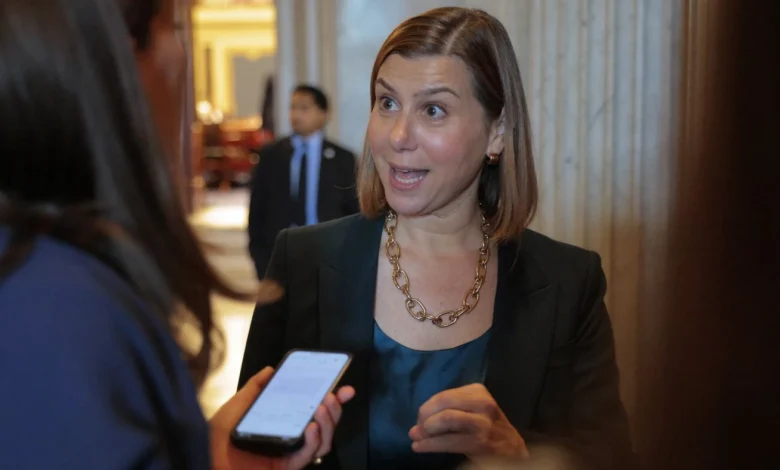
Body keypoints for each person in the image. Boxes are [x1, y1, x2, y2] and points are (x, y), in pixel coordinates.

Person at [239, 7, 632, 470]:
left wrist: (517, 456)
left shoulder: (568, 283)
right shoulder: (302, 262)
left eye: (433, 110)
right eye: (387, 103)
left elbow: (612, 458)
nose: (398, 136)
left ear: (497, 133)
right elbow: (247, 451)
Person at [0, 1, 352, 469]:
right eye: (172, 26)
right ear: (124, 57)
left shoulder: (51, 274)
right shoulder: (65, 312)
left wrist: (209, 453)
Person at [248, 84, 359, 278]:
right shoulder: (272, 155)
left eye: (304, 108)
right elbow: (257, 212)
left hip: (327, 256)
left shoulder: (343, 159)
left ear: (323, 114)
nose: (296, 115)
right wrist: (261, 265)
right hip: (282, 255)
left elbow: (354, 212)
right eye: (293, 107)